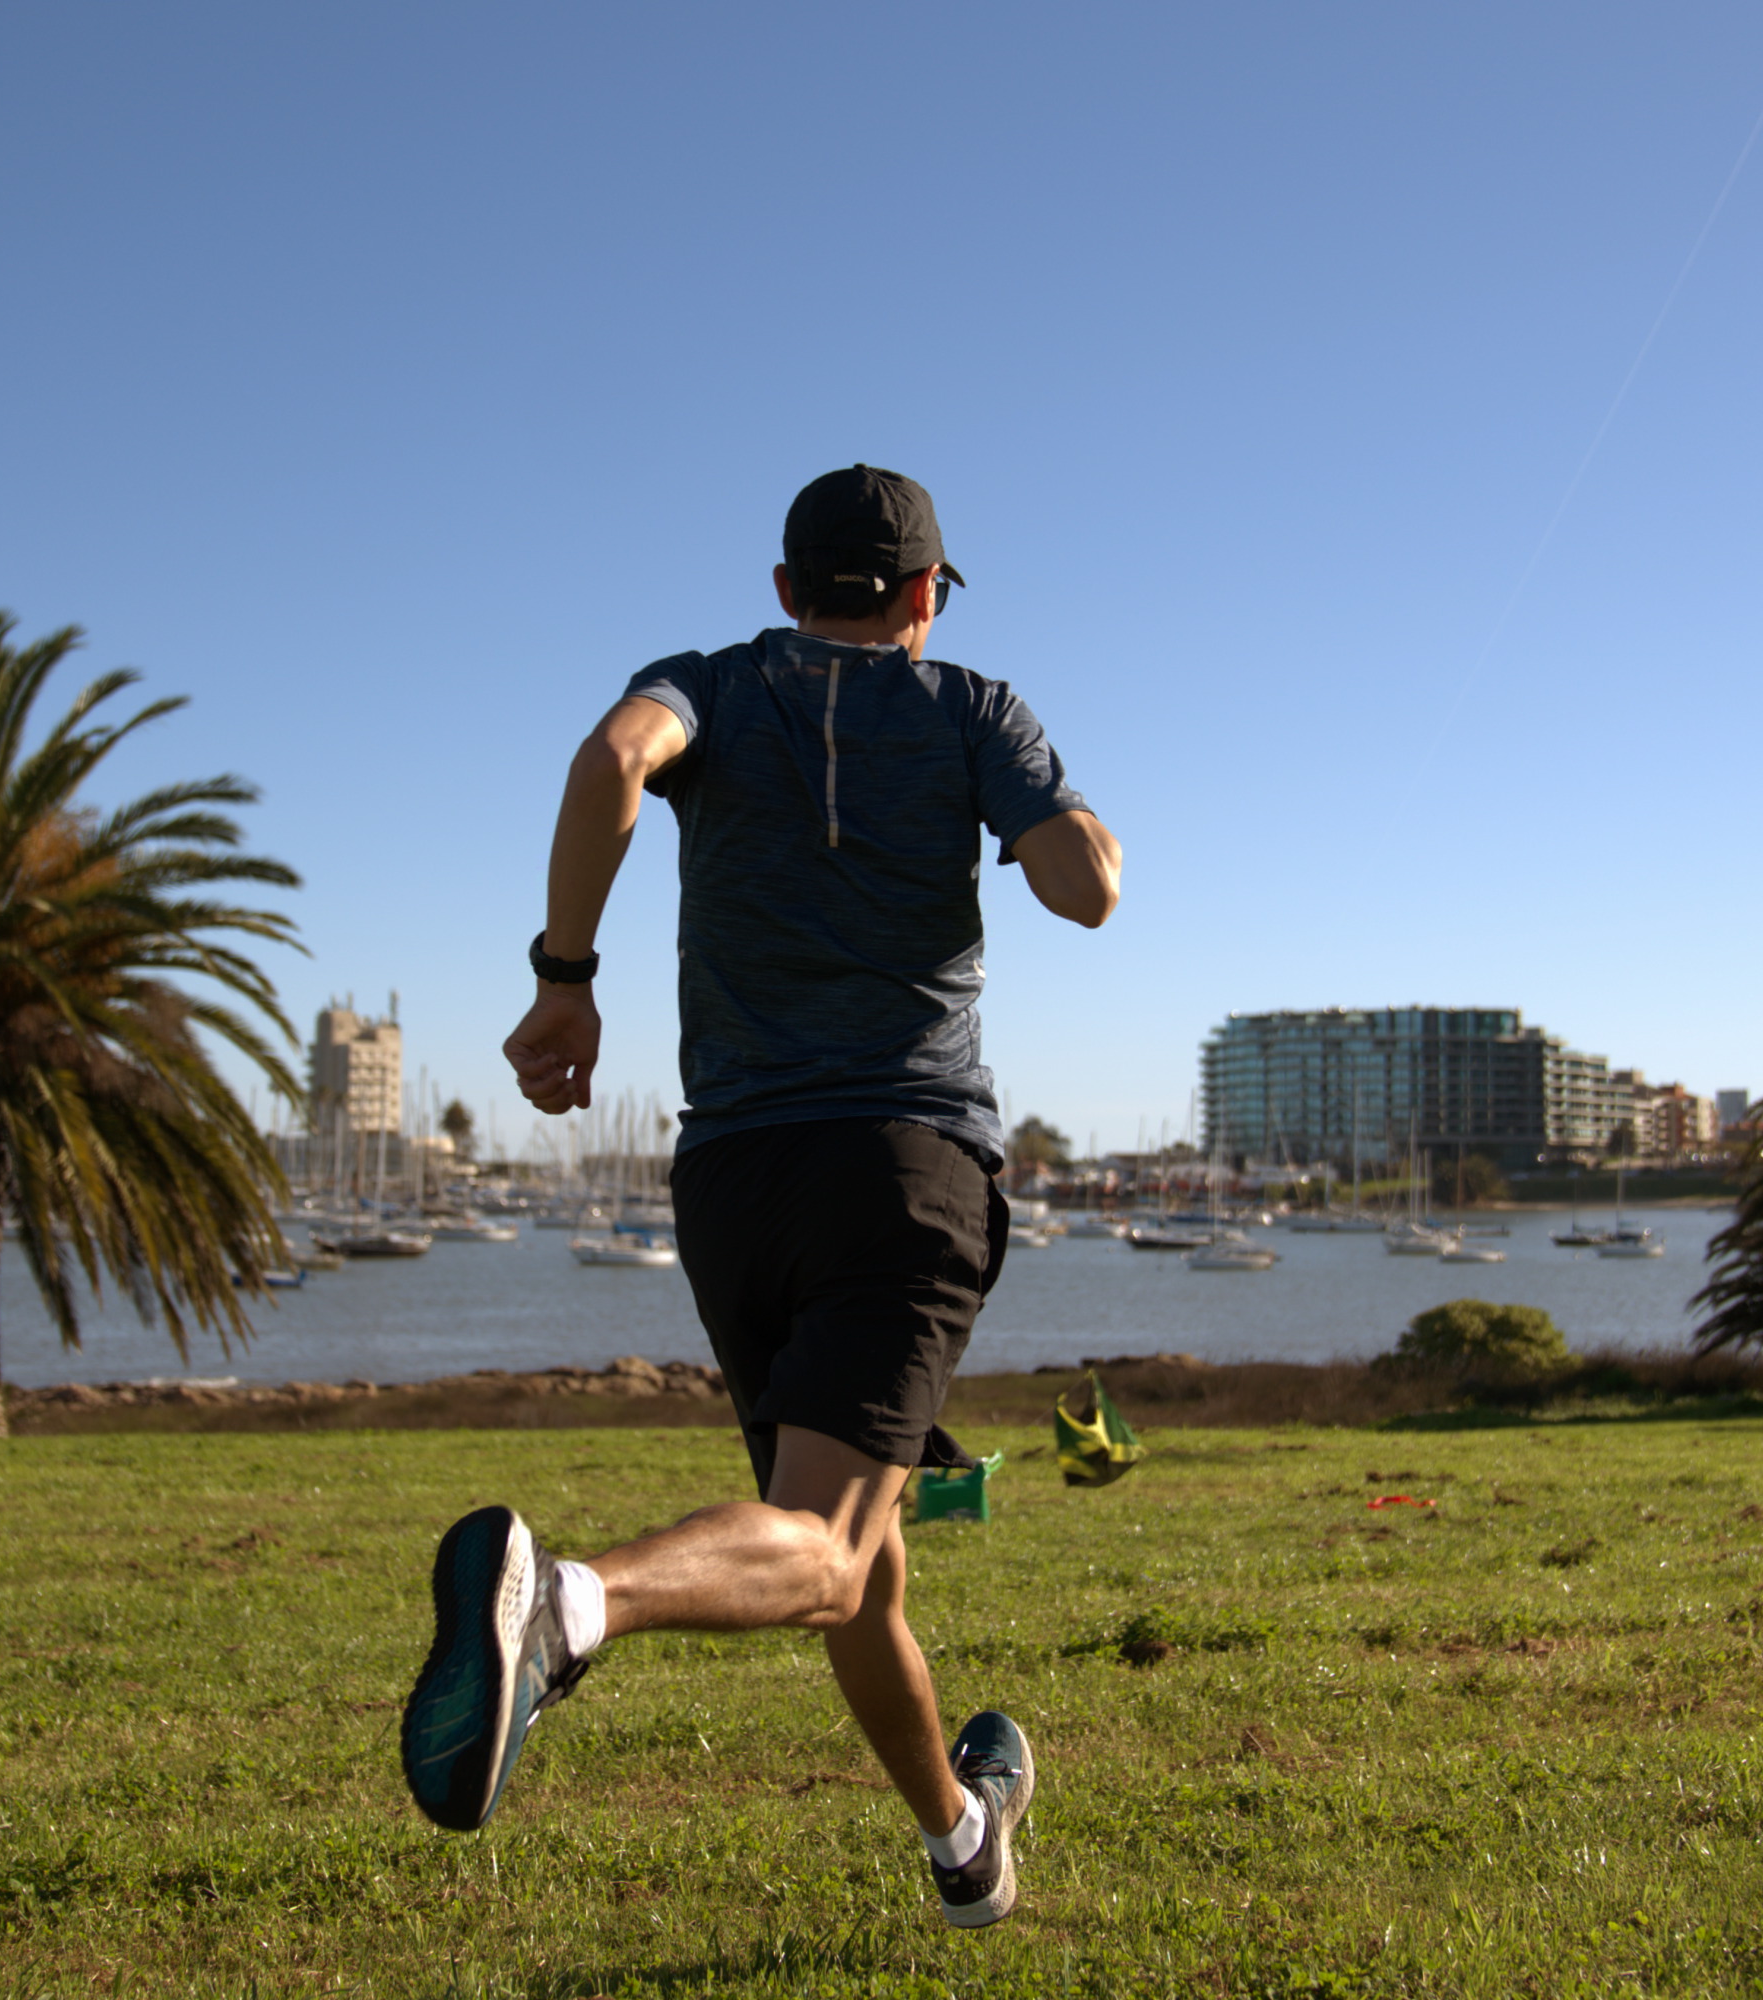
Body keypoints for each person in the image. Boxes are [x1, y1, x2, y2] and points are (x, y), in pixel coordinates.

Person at [398, 466, 1121, 1932]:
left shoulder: (708, 689)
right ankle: (569, 1608)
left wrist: (564, 981)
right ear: (925, 597)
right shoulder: (977, 709)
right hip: (905, 1165)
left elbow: (612, 762)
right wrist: (1052, 819)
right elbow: (1086, 888)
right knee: (830, 1549)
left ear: (787, 592)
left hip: (736, 1179)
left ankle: (962, 1843)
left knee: (860, 1566)